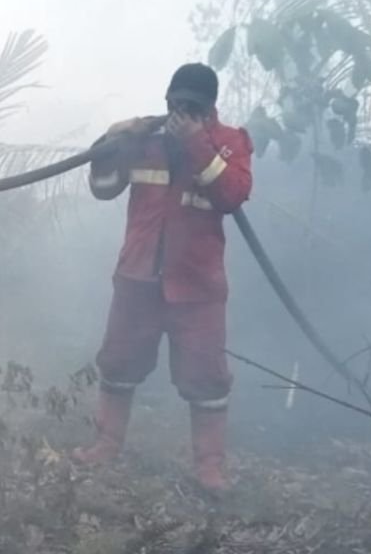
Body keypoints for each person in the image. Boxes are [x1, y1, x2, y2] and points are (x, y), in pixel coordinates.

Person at [73, 63, 252, 494]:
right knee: (118, 362)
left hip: (197, 285)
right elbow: (104, 186)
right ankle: (106, 444)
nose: (181, 111)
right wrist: (111, 141)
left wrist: (196, 144)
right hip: (138, 277)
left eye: (193, 106)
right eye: (175, 102)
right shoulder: (145, 140)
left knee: (206, 377)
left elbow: (231, 195)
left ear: (211, 108)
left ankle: (209, 466)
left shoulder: (230, 143)